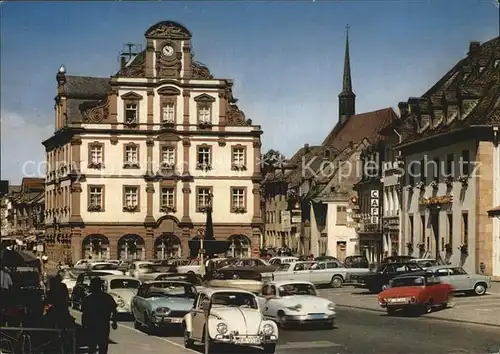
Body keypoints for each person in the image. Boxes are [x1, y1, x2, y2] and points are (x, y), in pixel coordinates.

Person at [82, 278, 118, 354]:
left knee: (92, 348)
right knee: (102, 348)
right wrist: (114, 322)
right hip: (103, 326)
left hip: (92, 326)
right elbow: (114, 310)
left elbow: (84, 314)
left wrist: (84, 326)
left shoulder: (88, 299)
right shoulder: (107, 297)